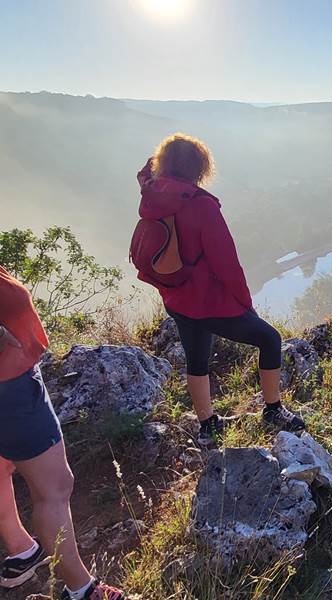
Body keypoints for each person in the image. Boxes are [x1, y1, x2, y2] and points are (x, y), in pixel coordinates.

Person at [137, 133, 304, 446]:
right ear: (200, 168)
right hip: (208, 302)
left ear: (164, 164)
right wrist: (245, 303)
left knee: (196, 358)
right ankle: (273, 411)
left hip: (175, 297)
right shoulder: (202, 206)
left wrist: (156, 166)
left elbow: (144, 173)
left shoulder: (153, 193)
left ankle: (207, 426)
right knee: (270, 339)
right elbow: (226, 263)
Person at [0, 265, 124, 599]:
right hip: (9, 384)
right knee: (54, 487)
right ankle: (81, 589)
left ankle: (22, 549)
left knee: (2, 466)